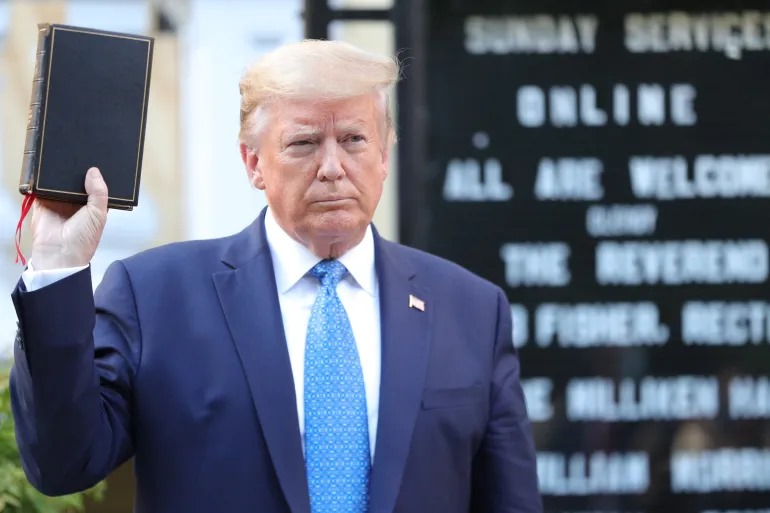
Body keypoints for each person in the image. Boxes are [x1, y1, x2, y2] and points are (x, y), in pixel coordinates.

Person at [9, 39, 541, 513]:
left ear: (385, 153)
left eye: (354, 139)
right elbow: (62, 464)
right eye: (304, 143)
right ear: (253, 163)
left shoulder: (471, 310)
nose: (332, 166)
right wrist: (58, 264)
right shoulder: (155, 296)